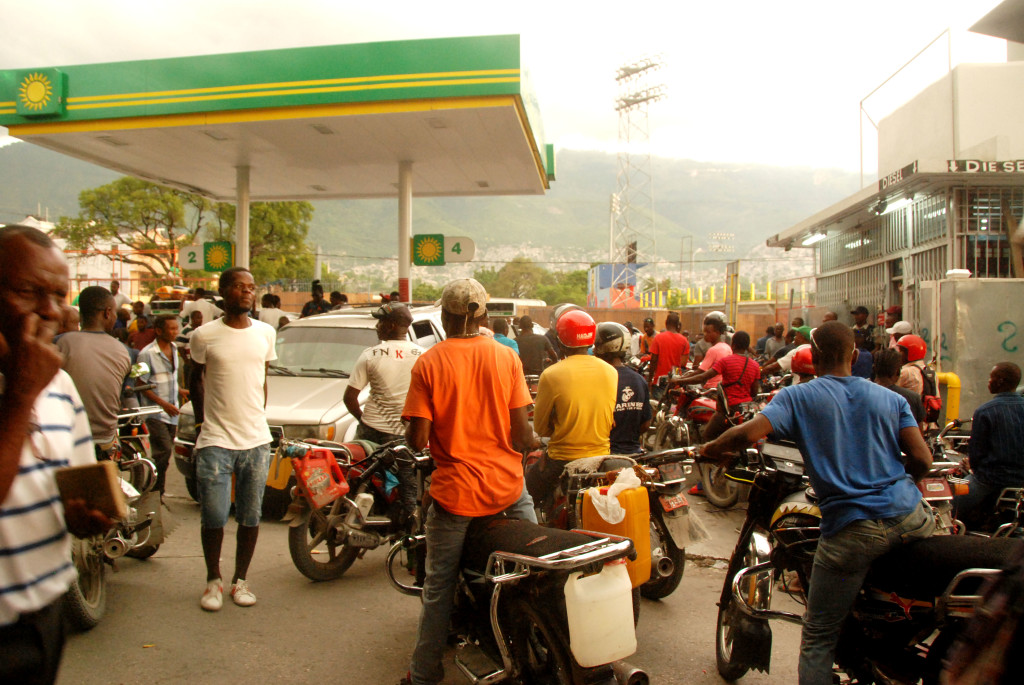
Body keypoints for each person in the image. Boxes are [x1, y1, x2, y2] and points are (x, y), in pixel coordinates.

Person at [700, 321, 934, 685]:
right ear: (854, 355)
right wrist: (894, 477)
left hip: (854, 529)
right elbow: (923, 461)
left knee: (818, 635)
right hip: (913, 517)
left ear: (813, 356)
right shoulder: (892, 398)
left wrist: (710, 448)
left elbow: (746, 434)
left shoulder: (799, 397)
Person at [400, 278, 536, 685]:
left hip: (456, 495)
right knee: (535, 569)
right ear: (483, 314)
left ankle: (423, 674)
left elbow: (419, 439)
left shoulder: (428, 362)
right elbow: (522, 437)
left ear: (444, 315)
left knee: (438, 586)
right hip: (510, 490)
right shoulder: (506, 358)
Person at [0, 225, 98, 685]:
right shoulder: (32, 382)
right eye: (27, 291)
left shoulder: (59, 384)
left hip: (45, 616)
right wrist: (20, 395)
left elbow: (77, 482)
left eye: (59, 295)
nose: (49, 311)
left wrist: (86, 517)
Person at [188, 267, 277, 612]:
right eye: (239, 287)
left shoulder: (265, 333)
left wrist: (258, 415)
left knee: (251, 516)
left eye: (251, 287)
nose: (247, 292)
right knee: (213, 515)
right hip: (215, 440)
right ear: (223, 291)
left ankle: (241, 580)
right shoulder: (204, 335)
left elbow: (262, 377)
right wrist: (200, 423)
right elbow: (195, 379)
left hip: (256, 441)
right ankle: (213, 581)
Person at [526, 309, 617, 504]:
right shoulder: (611, 372)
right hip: (602, 458)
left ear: (559, 341)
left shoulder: (551, 375)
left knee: (525, 494)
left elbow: (541, 428)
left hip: (562, 460)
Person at [56, 286, 132, 454]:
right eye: (114, 313)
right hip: (104, 440)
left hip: (66, 437)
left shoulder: (61, 344)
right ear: (107, 312)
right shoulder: (123, 352)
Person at [343, 302, 424, 444]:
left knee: (361, 465)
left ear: (392, 325)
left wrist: (363, 420)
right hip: (407, 433)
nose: (377, 326)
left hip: (370, 431)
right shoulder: (424, 356)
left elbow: (349, 398)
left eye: (381, 321)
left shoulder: (370, 355)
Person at [952, 362, 1024, 521]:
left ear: (1000, 381)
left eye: (991, 378)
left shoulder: (985, 411)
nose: (988, 382)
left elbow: (976, 455)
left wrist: (972, 467)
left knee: (950, 504)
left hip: (992, 479)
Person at [679, 330, 761, 441]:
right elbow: (754, 392)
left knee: (707, 437)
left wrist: (680, 380)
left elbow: (703, 376)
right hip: (747, 411)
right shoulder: (755, 365)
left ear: (733, 345)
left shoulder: (726, 361)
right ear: (747, 347)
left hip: (728, 409)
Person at [137, 315, 186, 496]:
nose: (175, 332)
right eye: (171, 329)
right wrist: (163, 404)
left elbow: (167, 378)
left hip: (172, 412)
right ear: (158, 331)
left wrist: (179, 390)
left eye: (176, 328)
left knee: (164, 455)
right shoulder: (146, 354)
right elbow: (139, 384)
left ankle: (156, 491)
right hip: (155, 412)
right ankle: (153, 489)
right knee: (163, 450)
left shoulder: (174, 349)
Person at [595, 322, 651, 455]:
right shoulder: (639, 380)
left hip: (604, 454)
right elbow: (646, 424)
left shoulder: (598, 379)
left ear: (601, 347)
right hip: (634, 453)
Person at [873, 348, 925, 432]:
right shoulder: (911, 398)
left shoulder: (860, 393)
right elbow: (919, 434)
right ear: (898, 372)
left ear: (873, 368)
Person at [648, 311, 690, 389]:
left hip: (660, 381)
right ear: (678, 325)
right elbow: (683, 363)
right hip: (676, 381)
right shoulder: (684, 341)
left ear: (666, 323)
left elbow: (653, 360)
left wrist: (650, 379)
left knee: (658, 401)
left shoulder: (658, 338)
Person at [688, 314, 732, 388]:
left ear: (717, 332)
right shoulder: (727, 347)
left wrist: (680, 380)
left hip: (712, 387)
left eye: (708, 332)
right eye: (704, 332)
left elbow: (700, 372)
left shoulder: (713, 350)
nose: (705, 335)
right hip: (724, 387)